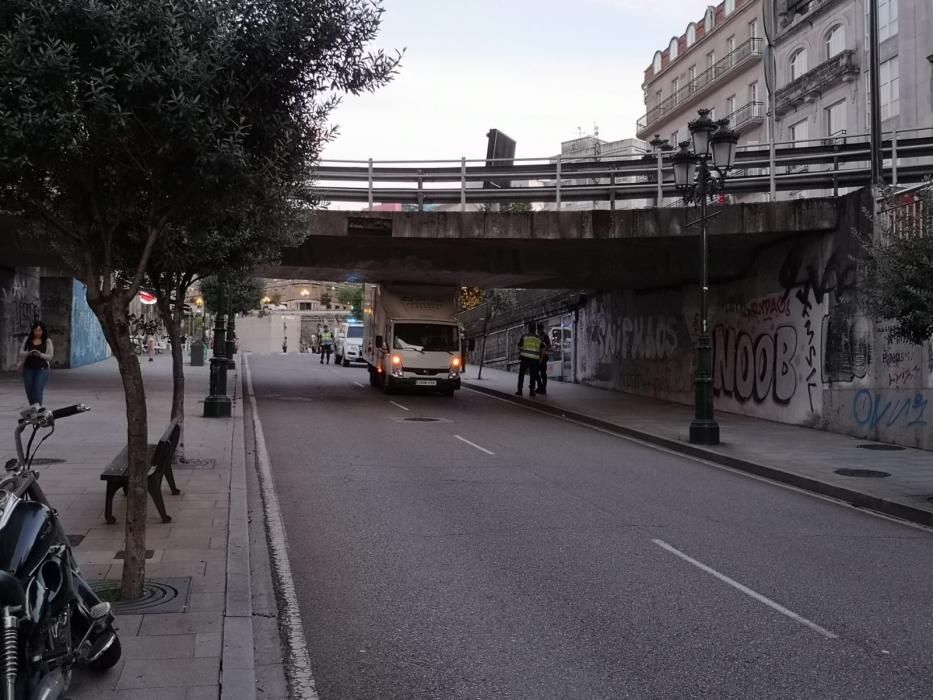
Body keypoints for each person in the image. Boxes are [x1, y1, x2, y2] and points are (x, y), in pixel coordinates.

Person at [18, 321, 53, 407]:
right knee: (29, 391)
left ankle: (38, 411)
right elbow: (21, 352)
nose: (37, 332)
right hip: (28, 369)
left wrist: (40, 354)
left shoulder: (47, 341)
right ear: (32, 331)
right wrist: (29, 353)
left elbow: (50, 356)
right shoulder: (28, 339)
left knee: (37, 390)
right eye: (35, 330)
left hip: (42, 369)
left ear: (43, 331)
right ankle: (33, 408)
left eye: (40, 330)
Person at [515, 321, 541, 397]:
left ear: (528, 329)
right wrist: (540, 359)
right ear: (535, 329)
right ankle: (532, 392)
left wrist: (521, 351)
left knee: (521, 375)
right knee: (533, 376)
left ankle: (520, 391)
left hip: (525, 358)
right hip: (534, 360)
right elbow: (543, 349)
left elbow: (519, 346)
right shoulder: (538, 338)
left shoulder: (524, 336)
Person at [535, 323, 552, 395]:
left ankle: (543, 389)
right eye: (538, 330)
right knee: (536, 373)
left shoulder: (545, 336)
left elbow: (549, 346)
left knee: (543, 374)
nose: (538, 331)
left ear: (541, 329)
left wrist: (544, 349)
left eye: (539, 330)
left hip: (544, 357)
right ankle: (540, 387)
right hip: (537, 357)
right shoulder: (537, 337)